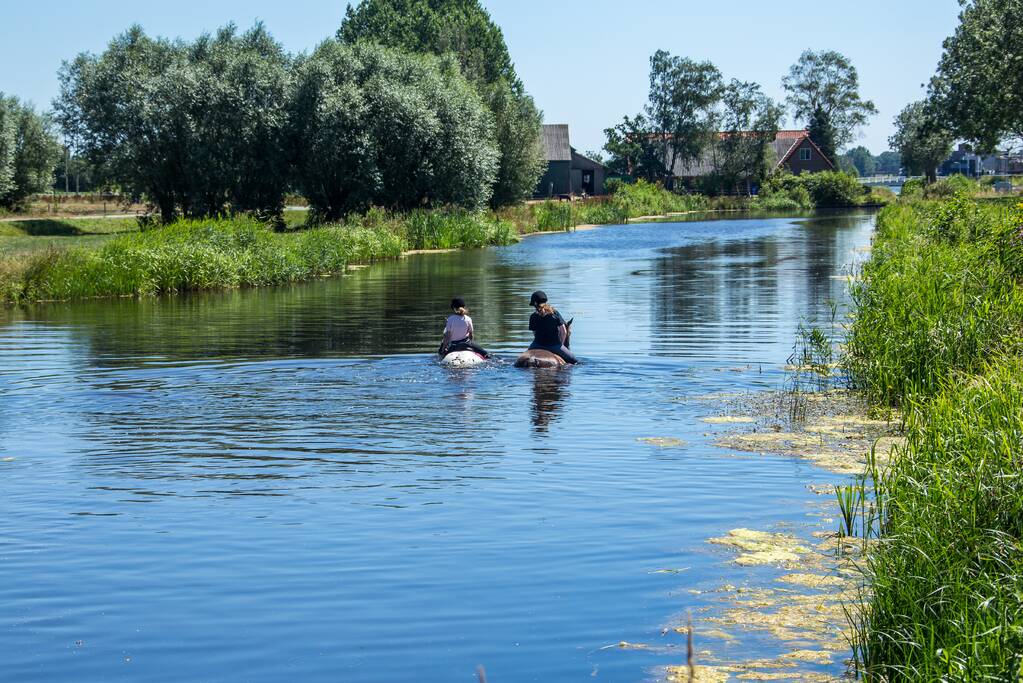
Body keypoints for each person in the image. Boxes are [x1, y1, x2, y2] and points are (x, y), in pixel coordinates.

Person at [527, 290, 577, 364]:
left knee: (521, 359)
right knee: (574, 361)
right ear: (545, 301)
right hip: (554, 345)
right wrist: (561, 345)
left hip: (536, 345)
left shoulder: (533, 316)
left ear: (535, 304)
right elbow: (563, 331)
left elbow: (534, 333)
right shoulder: (555, 313)